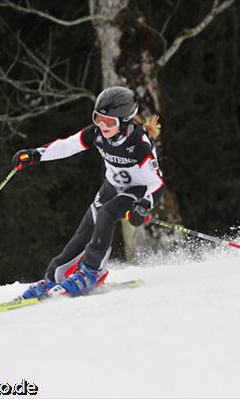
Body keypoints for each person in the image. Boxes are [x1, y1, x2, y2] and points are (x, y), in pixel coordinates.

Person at [12, 86, 165, 298]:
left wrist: (144, 205)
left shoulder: (138, 143)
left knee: (108, 213)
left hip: (137, 191)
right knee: (85, 230)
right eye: (98, 118)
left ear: (125, 120)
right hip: (111, 187)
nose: (102, 125)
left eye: (109, 122)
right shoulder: (96, 133)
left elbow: (156, 184)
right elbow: (67, 146)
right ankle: (53, 278)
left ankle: (91, 272)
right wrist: (36, 154)